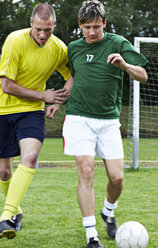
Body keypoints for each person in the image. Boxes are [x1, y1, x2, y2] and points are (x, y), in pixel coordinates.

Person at [46, 1, 148, 247]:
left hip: (109, 121)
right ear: (80, 25)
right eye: (86, 27)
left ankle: (108, 211)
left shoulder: (117, 43)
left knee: (117, 178)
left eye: (96, 27)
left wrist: (124, 65)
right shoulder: (74, 48)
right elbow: (74, 78)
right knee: (87, 171)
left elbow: (143, 75)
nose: (91, 32)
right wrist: (59, 101)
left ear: (104, 23)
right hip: (79, 118)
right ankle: (91, 235)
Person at [0, 3, 72, 239]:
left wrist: (57, 101)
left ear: (54, 26)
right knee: (4, 171)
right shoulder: (14, 40)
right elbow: (6, 86)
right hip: (3, 109)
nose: (43, 35)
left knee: (30, 156)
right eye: (39, 29)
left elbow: (73, 75)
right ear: (31, 23)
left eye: (48, 30)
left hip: (32, 111)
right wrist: (44, 95)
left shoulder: (59, 48)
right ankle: (17, 211)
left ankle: (6, 216)